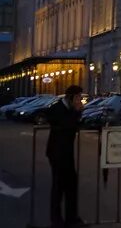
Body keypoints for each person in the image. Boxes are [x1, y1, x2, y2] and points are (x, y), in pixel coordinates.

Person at [46, 85, 85, 228]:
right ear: (71, 98)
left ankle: (71, 218)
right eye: (78, 97)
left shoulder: (70, 109)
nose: (80, 100)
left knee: (71, 186)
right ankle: (56, 220)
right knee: (58, 187)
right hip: (57, 153)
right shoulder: (57, 108)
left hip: (67, 153)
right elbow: (67, 124)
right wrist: (76, 113)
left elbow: (75, 124)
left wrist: (78, 113)